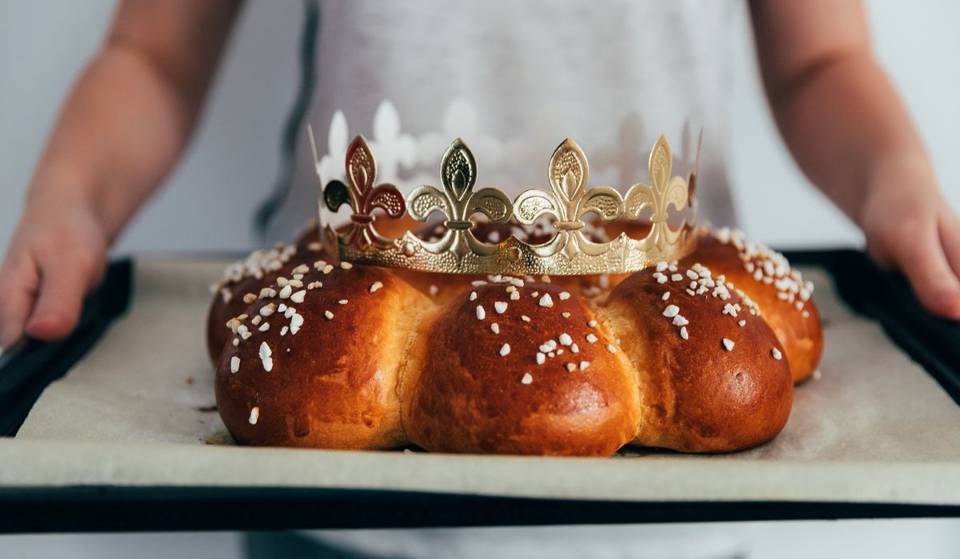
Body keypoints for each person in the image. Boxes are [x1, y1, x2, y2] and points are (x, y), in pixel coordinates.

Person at [0, 1, 957, 555]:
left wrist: (897, 181)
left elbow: (823, 58)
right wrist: (71, 202)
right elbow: (155, 53)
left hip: (686, 517)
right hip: (330, 494)